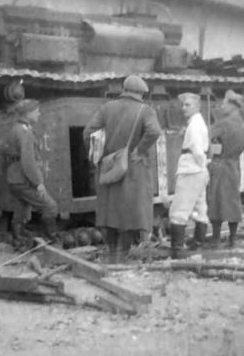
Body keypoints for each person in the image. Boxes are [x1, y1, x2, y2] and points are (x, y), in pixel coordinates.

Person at [83, 75, 162, 263]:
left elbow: (88, 133)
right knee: (130, 212)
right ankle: (123, 254)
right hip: (133, 168)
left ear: (124, 90)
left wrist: (100, 155)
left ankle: (112, 254)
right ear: (141, 92)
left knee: (110, 211)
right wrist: (139, 151)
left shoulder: (106, 108)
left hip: (109, 166)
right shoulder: (145, 110)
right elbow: (154, 131)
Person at [6, 99, 59, 241]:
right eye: (36, 111)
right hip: (23, 179)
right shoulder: (25, 133)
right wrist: (38, 183)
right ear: (28, 114)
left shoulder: (16, 128)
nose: (39, 114)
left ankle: (19, 240)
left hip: (14, 178)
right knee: (50, 206)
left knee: (21, 210)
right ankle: (52, 240)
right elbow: (28, 162)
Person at [207, 89, 244, 248]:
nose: (222, 106)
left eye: (224, 103)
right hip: (234, 165)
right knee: (233, 201)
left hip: (219, 165)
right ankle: (232, 239)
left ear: (233, 106)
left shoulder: (222, 124)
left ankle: (216, 240)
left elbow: (206, 138)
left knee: (216, 202)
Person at [168, 92, 209, 258]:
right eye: (183, 105)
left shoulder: (194, 126)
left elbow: (197, 150)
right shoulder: (197, 123)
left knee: (179, 209)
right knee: (200, 207)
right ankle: (198, 242)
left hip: (191, 169)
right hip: (198, 170)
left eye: (188, 105)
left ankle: (177, 249)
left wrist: (200, 164)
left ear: (197, 106)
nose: (183, 108)